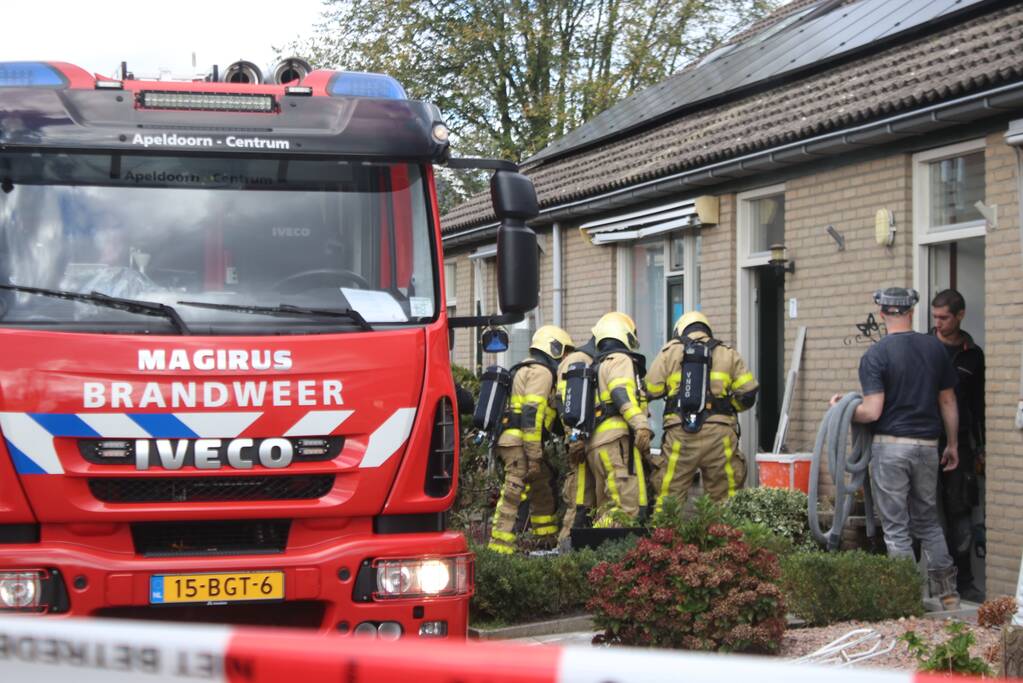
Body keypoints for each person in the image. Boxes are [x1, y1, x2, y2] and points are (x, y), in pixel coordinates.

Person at [830, 287, 960, 609]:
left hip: (891, 448)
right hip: (928, 446)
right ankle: (949, 595)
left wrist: (842, 408)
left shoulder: (876, 355)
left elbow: (872, 411)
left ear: (883, 313)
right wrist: (953, 444)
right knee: (929, 521)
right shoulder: (935, 348)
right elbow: (948, 400)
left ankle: (907, 599)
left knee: (896, 527)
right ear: (911, 312)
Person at [645, 311, 758, 511]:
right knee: (725, 500)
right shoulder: (727, 352)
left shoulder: (670, 352)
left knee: (668, 497)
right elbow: (748, 393)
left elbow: (650, 390)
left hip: (680, 436)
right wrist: (728, 409)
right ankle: (725, 540)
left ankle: (665, 539)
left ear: (680, 331)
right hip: (720, 436)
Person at [487, 325, 574, 554]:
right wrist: (534, 456)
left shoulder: (524, 368)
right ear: (553, 348)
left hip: (515, 440)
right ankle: (499, 550)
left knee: (542, 485)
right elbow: (531, 415)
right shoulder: (541, 372)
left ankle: (545, 539)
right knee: (514, 492)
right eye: (563, 352)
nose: (564, 358)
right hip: (520, 444)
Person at [930, 288, 985, 602]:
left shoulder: (972, 355)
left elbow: (978, 404)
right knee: (924, 510)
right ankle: (933, 581)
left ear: (960, 315)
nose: (938, 323)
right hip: (926, 437)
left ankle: (963, 581)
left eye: (944, 317)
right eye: (935, 317)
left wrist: (981, 445)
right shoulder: (924, 347)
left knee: (959, 508)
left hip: (960, 442)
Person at [585, 312, 651, 526]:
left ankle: (599, 555)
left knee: (606, 507)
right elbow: (620, 391)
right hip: (615, 443)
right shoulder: (620, 359)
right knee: (624, 508)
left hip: (596, 444)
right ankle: (615, 553)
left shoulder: (597, 366)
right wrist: (640, 424)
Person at [555, 335, 598, 546]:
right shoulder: (579, 360)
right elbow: (568, 404)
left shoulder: (590, 359)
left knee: (589, 502)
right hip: (580, 443)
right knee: (580, 502)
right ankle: (566, 551)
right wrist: (575, 439)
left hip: (591, 442)